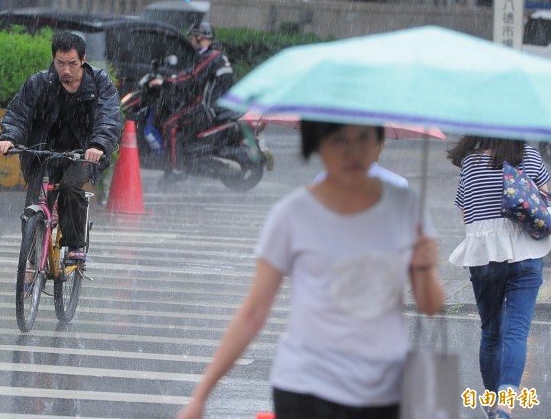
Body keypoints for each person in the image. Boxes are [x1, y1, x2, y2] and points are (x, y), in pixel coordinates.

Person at [176, 121, 444, 419]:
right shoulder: (292, 214)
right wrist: (201, 395)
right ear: (321, 145)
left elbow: (430, 305)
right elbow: (253, 312)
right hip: (305, 386)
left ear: (379, 145)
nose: (353, 151)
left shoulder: (404, 207)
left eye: (364, 139)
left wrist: (425, 267)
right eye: (340, 140)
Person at [0, 31, 122, 265]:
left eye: (72, 63)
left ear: (83, 59)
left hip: (82, 153)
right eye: (60, 63)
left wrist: (97, 144)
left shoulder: (100, 83)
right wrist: (9, 137)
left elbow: (109, 118)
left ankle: (75, 245)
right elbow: (18, 114)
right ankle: (32, 262)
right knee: (34, 204)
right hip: (44, 151)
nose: (66, 70)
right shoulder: (39, 83)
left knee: (70, 188)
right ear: (53, 60)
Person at [447, 136, 551, 419]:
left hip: (484, 256)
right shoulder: (528, 155)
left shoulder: (470, 161)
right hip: (526, 253)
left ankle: (493, 405)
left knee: (492, 332)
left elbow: (464, 212)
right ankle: (505, 407)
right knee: (517, 332)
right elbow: (545, 198)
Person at [149, 21, 234, 179]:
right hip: (213, 106)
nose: (191, 40)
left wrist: (165, 82)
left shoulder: (211, 57)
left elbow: (192, 78)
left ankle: (177, 170)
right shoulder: (212, 55)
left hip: (206, 108)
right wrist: (171, 77)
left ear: (200, 37)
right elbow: (191, 73)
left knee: (170, 126)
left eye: (193, 37)